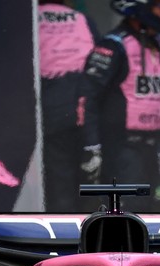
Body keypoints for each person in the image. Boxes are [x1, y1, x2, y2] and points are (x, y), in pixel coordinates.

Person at [77, 0, 160, 212]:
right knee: (126, 213)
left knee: (156, 210)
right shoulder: (114, 45)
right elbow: (87, 96)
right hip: (122, 149)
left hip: (154, 149)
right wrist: (91, 146)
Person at [37, 0, 99, 212]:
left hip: (51, 113)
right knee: (86, 182)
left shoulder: (31, 20)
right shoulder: (82, 19)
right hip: (85, 113)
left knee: (58, 183)